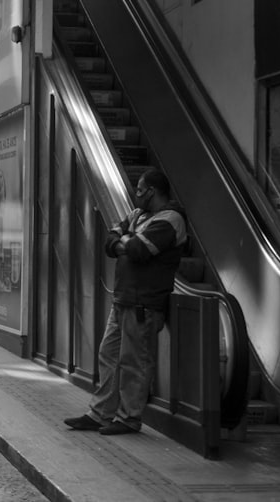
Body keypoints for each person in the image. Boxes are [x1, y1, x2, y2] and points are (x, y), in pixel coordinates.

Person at [64, 168, 186, 436]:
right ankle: (100, 413)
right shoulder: (139, 215)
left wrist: (126, 241)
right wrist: (125, 242)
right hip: (123, 299)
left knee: (135, 362)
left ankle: (129, 418)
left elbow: (140, 251)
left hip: (144, 303)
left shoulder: (171, 219)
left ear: (153, 191)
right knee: (108, 355)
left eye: (141, 190)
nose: (137, 195)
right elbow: (111, 240)